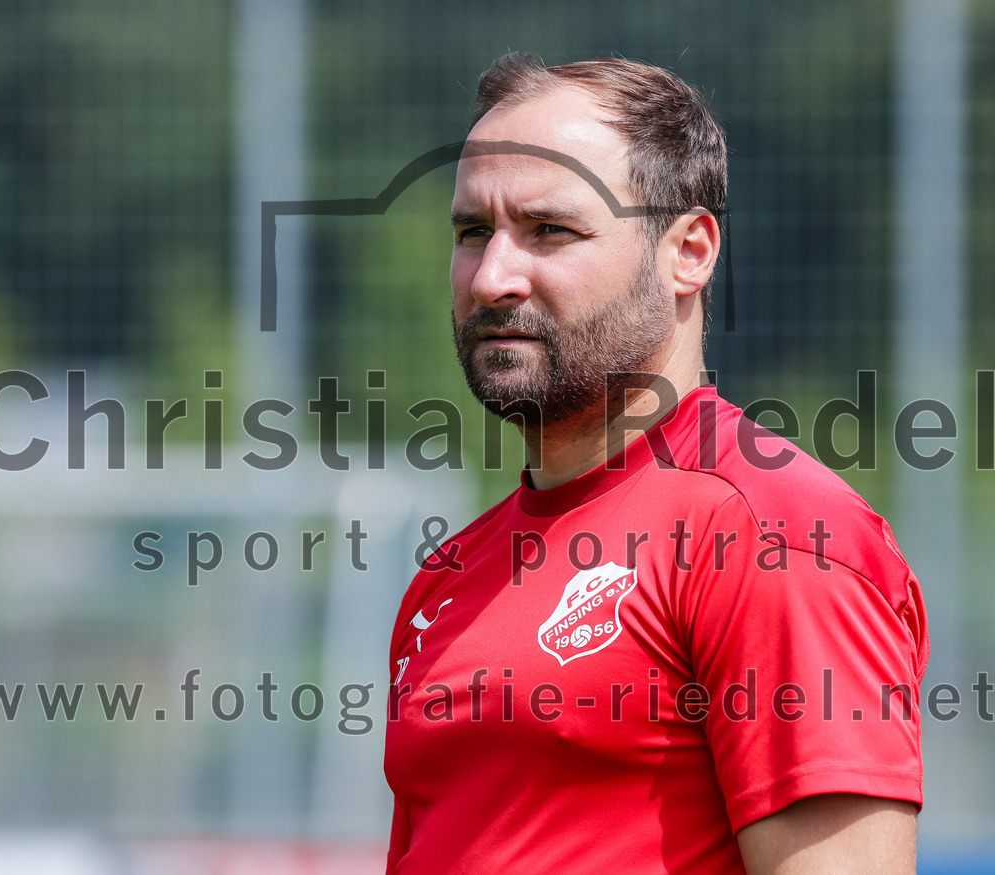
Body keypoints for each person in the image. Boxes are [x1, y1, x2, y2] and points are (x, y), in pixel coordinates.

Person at [384, 53, 927, 874]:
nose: (491, 276)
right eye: (471, 233)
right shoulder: (447, 581)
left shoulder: (771, 532)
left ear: (690, 251)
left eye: (549, 230)